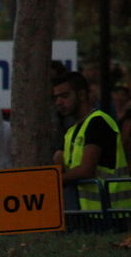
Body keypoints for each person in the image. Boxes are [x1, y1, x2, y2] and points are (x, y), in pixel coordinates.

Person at [52, 70, 130, 211]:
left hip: (113, 211)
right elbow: (62, 163)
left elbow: (86, 170)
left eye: (64, 96)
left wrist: (51, 181)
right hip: (92, 212)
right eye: (55, 97)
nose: (59, 102)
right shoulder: (72, 131)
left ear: (81, 95)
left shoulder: (98, 122)